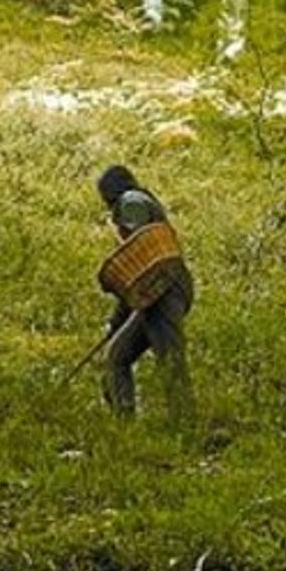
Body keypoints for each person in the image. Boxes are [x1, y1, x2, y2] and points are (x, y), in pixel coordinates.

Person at [96, 165, 193, 418]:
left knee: (170, 359)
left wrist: (117, 321)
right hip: (154, 294)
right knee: (117, 356)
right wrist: (115, 323)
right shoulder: (141, 200)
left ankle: (184, 424)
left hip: (163, 290)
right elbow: (136, 281)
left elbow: (143, 256)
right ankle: (125, 423)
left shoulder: (131, 203)